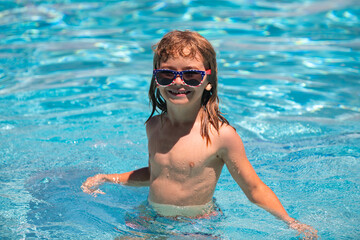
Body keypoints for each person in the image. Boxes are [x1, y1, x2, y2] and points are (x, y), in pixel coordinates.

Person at [82, 30, 318, 239]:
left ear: (208, 80)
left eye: (191, 75)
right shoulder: (154, 126)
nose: (178, 82)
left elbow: (254, 189)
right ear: (156, 79)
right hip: (151, 216)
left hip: (198, 223)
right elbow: (157, 173)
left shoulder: (221, 136)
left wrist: (290, 222)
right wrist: (108, 178)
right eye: (167, 74)